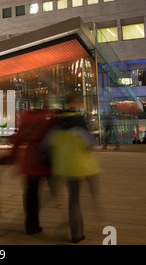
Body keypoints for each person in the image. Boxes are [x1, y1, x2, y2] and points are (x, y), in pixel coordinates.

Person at [48, 95, 101, 243]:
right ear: (73, 104)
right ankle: (94, 220)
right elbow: (90, 144)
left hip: (66, 167)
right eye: (78, 103)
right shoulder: (79, 121)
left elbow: (48, 144)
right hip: (84, 165)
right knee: (90, 196)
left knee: (73, 201)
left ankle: (76, 234)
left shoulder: (57, 123)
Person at [7, 109, 58, 235]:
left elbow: (18, 140)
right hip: (45, 160)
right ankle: (68, 221)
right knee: (53, 190)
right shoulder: (47, 119)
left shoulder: (25, 119)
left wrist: (12, 157)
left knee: (30, 195)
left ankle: (31, 225)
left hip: (30, 161)